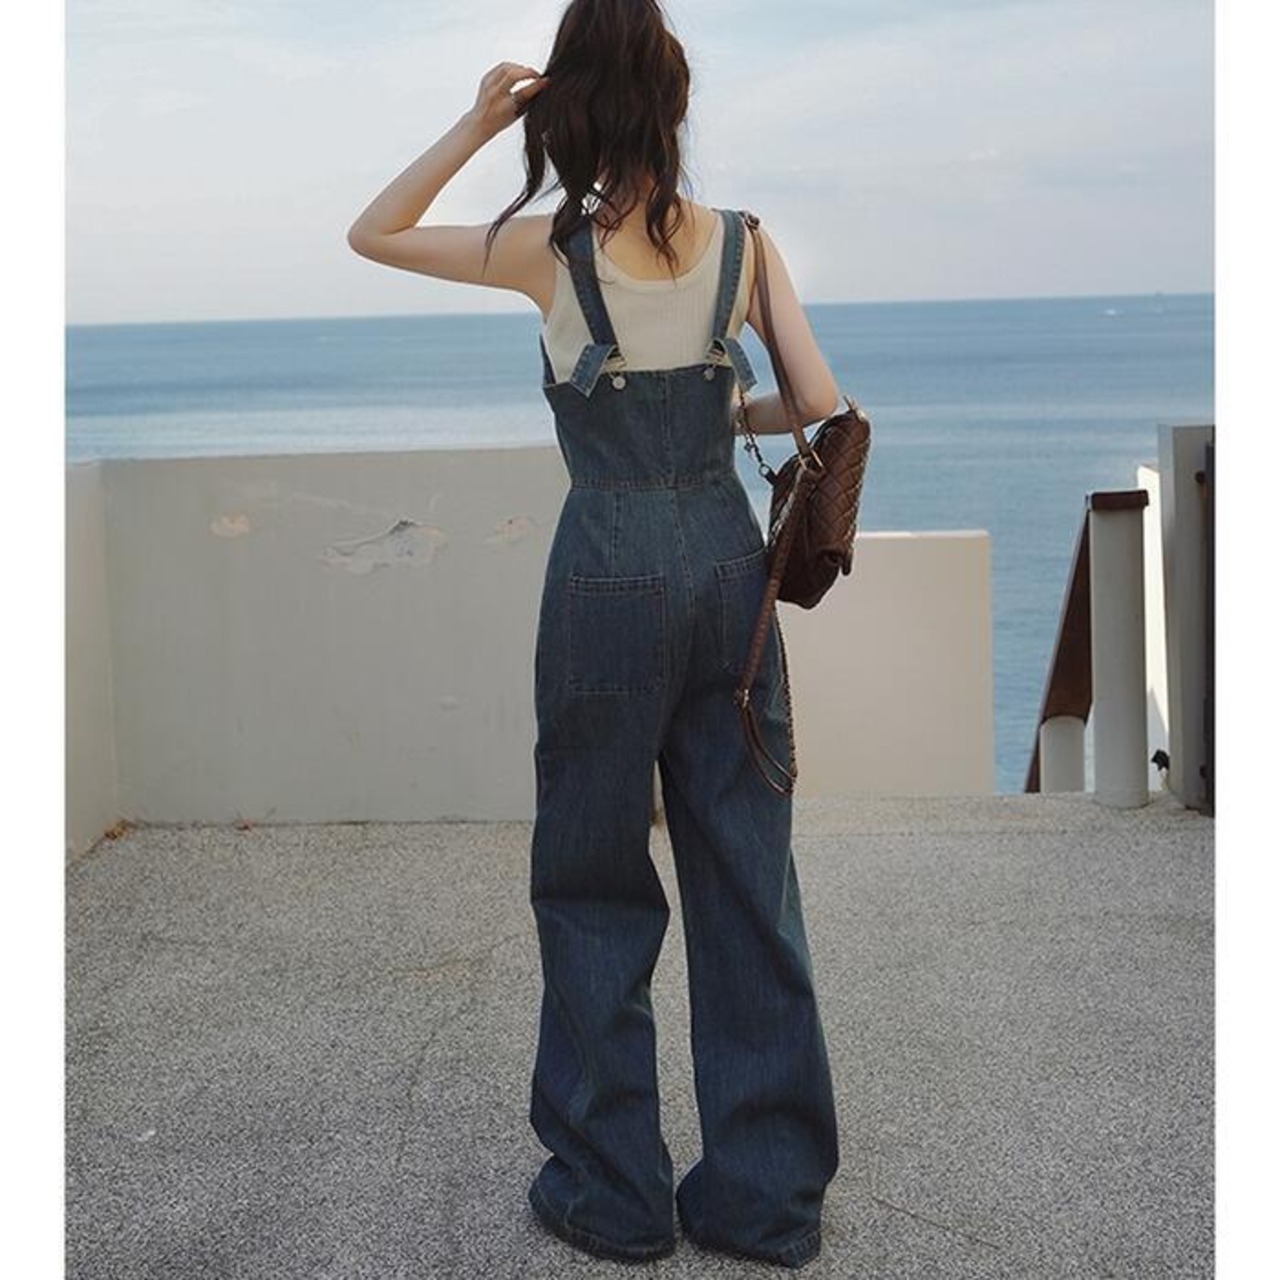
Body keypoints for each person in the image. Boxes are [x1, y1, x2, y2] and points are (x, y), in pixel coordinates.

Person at [347, 1, 841, 1267]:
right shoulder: (744, 244)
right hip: (727, 568)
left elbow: (373, 231)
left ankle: (615, 1193)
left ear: (566, 111)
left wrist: (477, 121)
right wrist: (719, 417)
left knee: (591, 877)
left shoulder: (543, 251)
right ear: (673, 103)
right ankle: (764, 1201)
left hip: (605, 575)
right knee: (747, 878)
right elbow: (820, 403)